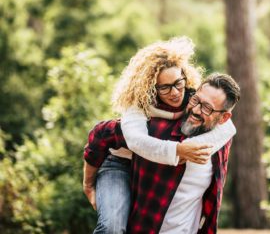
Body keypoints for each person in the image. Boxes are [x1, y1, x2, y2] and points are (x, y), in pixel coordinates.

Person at [83, 37, 236, 233]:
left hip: (146, 167)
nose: (175, 93)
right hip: (119, 164)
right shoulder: (139, 108)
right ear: (150, 86)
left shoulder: (192, 98)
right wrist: (88, 184)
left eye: (178, 83)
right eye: (164, 87)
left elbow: (228, 127)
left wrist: (195, 147)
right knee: (112, 226)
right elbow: (115, 137)